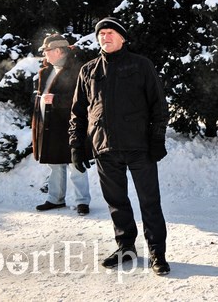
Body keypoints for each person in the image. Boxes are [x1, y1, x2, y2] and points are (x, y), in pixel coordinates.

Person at [69, 17, 171, 275]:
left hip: (140, 147)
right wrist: (76, 146)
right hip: (104, 147)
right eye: (101, 33)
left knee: (150, 202)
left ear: (123, 38)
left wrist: (157, 139)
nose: (105, 37)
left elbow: (159, 105)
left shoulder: (141, 65)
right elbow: (78, 113)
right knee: (116, 202)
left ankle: (157, 253)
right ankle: (126, 247)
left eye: (110, 32)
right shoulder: (88, 70)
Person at [32, 34, 91, 215]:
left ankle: (82, 201)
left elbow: (83, 99)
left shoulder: (77, 70)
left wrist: (56, 100)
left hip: (71, 124)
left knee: (76, 162)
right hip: (50, 125)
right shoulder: (45, 71)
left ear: (58, 51)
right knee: (54, 162)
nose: (44, 55)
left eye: (47, 51)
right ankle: (55, 199)